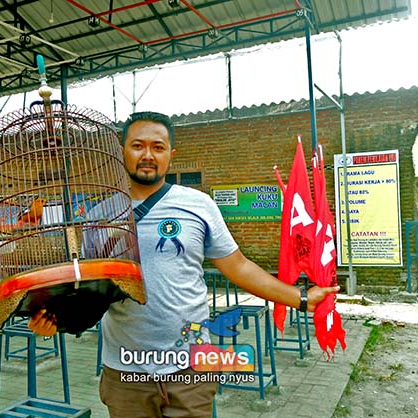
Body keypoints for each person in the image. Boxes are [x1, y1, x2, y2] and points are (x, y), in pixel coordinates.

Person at [29, 111, 340, 418]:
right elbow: (91, 291)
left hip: (189, 370)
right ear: (122, 151)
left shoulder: (198, 205)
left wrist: (300, 298)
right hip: (125, 374)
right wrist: (59, 319)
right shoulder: (101, 216)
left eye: (158, 147)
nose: (147, 155)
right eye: (137, 146)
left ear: (171, 155)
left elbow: (239, 266)